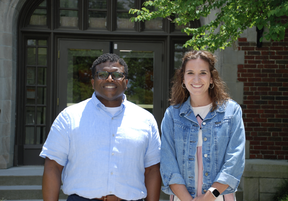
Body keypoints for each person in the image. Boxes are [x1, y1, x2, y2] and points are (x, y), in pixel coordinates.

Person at [40, 53, 161, 201]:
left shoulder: (146, 120)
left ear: (126, 82)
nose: (109, 78)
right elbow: (53, 166)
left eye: (117, 74)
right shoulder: (69, 117)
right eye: (102, 74)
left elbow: (152, 170)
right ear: (93, 82)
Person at [160, 50, 245, 201]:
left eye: (203, 73)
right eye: (190, 72)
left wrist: (208, 198)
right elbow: (168, 164)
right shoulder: (172, 115)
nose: (196, 79)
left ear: (212, 78)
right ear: (183, 79)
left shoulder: (231, 112)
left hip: (220, 198)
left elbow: (234, 161)